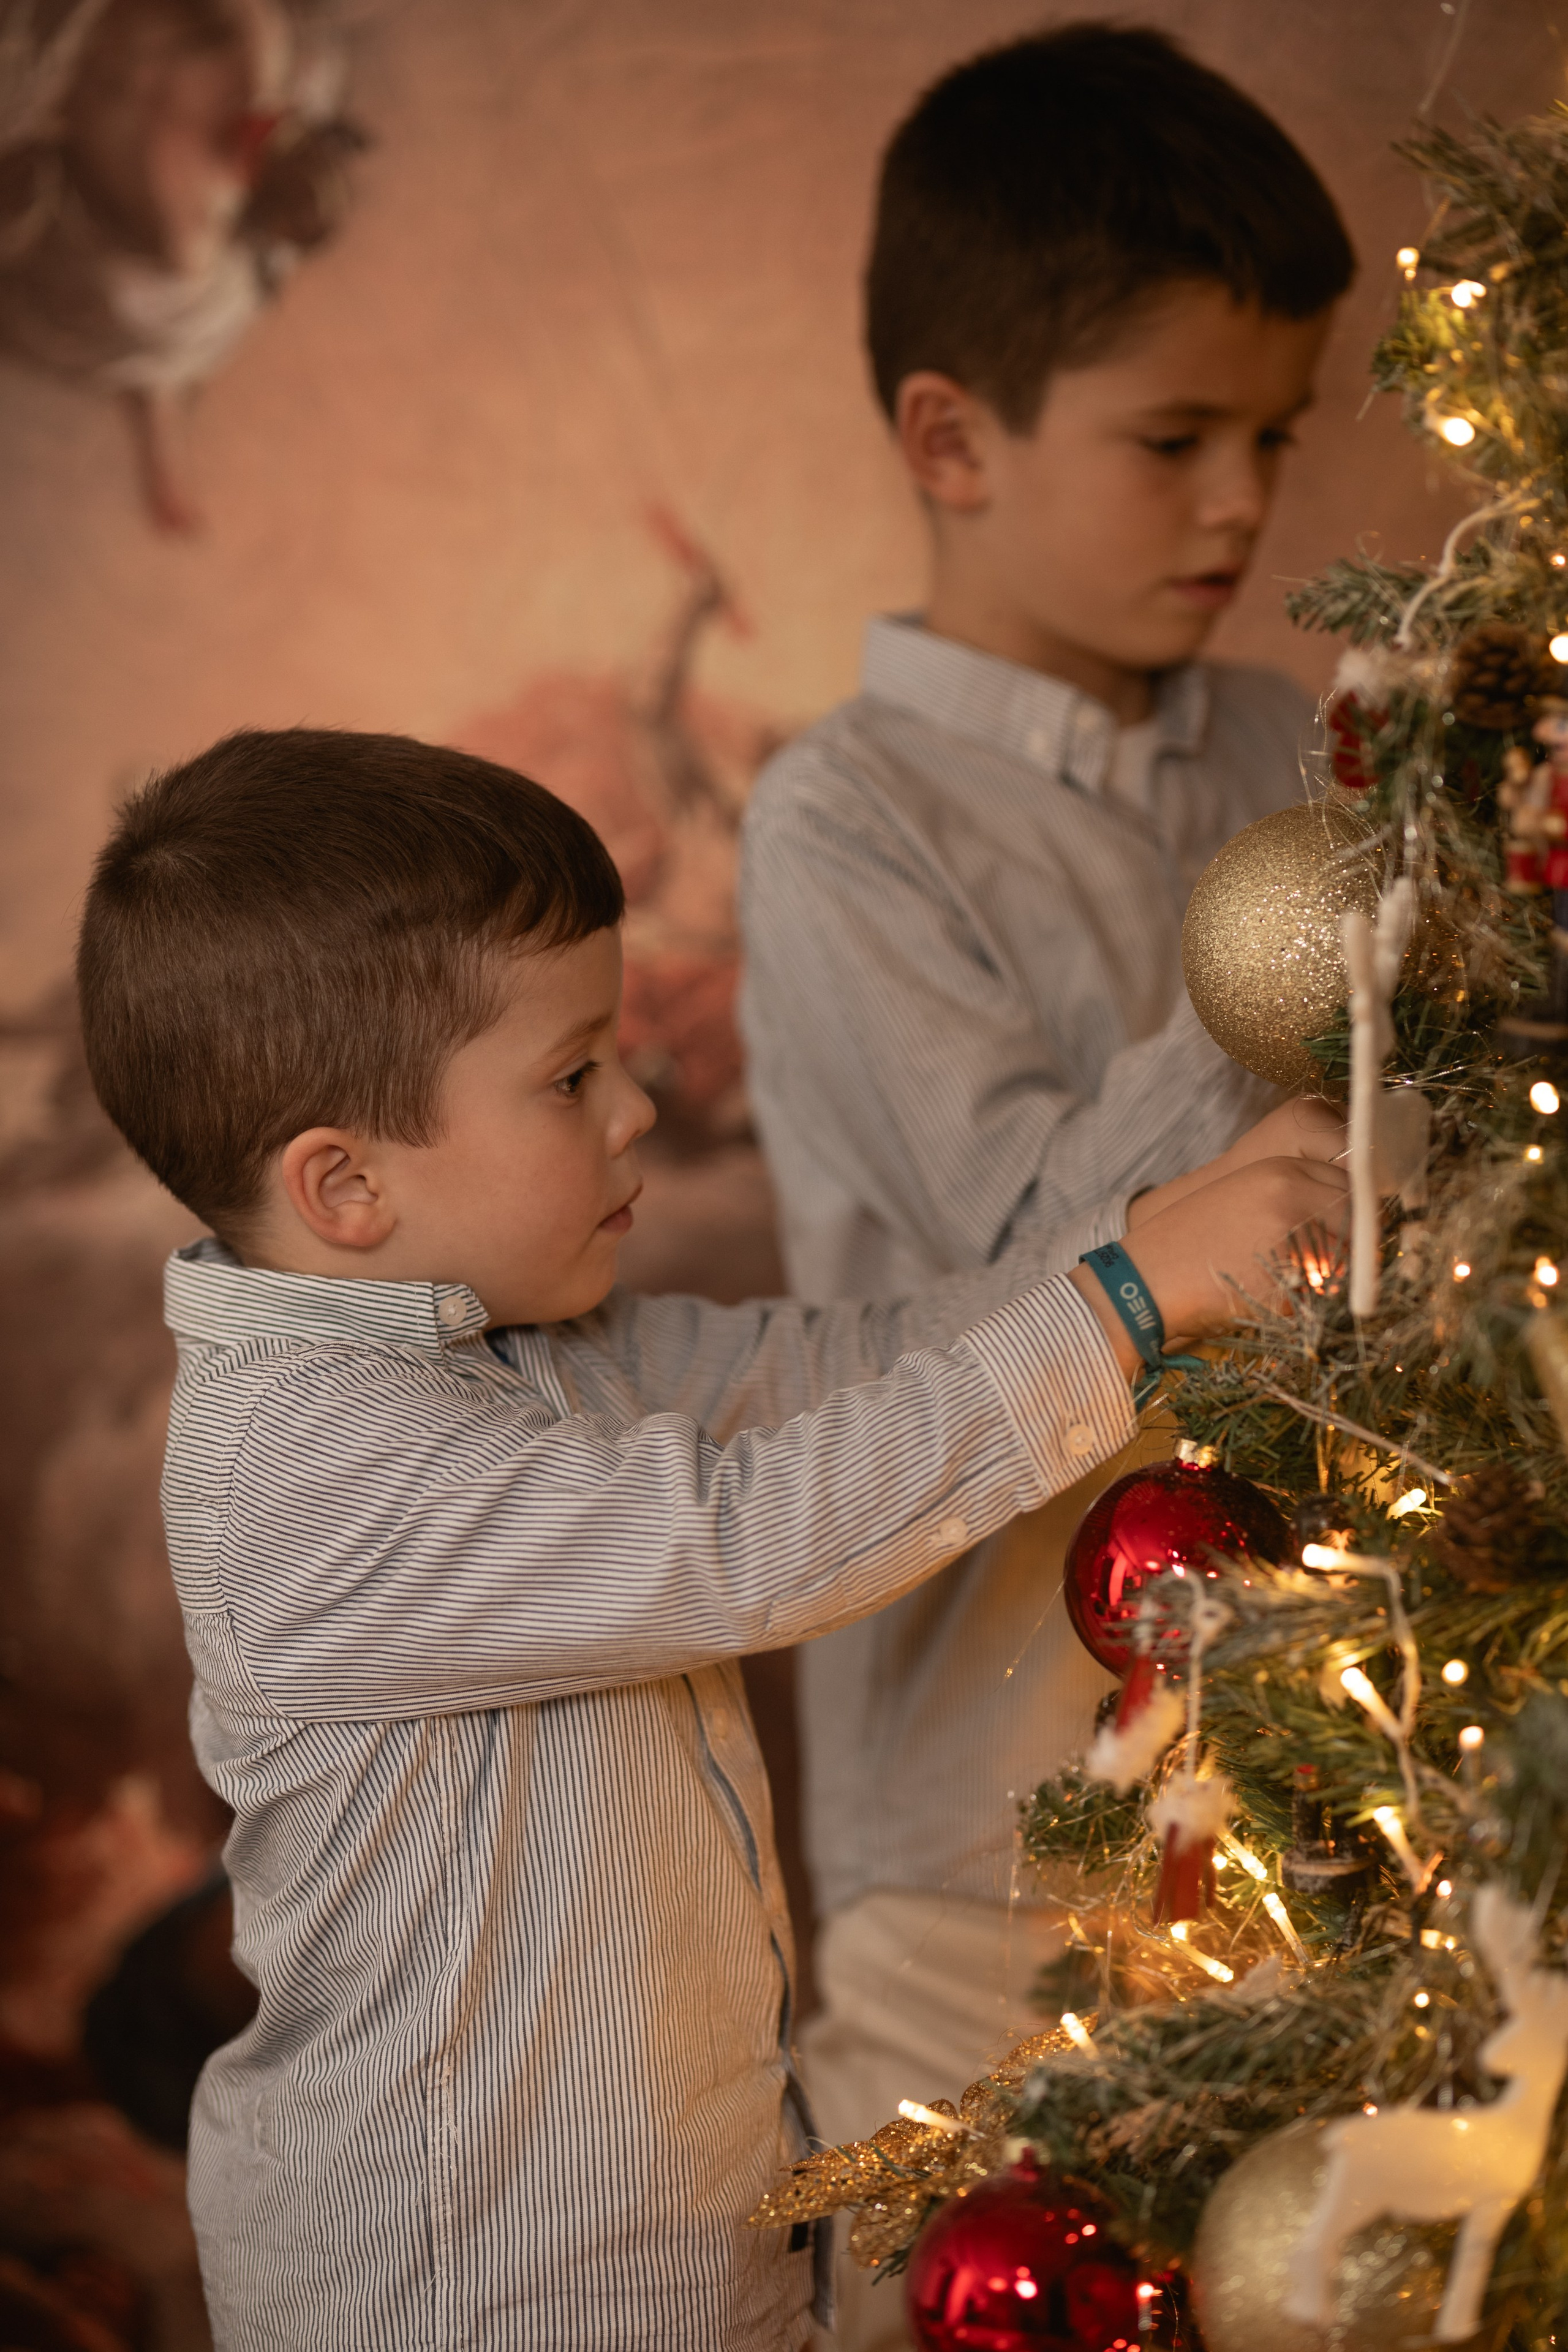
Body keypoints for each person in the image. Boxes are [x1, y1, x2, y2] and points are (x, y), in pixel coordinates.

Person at [75, 728, 1345, 2352]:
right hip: (459, 2302)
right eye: (570, 1075)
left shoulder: (535, 1347)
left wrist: (1171, 1229)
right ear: (346, 1188)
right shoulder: (305, 1473)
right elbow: (745, 1541)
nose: (639, 1102)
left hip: (690, 2257)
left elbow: (865, 1362)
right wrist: (1120, 1302)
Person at [735, 27, 1355, 2342]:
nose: (1242, 504)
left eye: (1275, 438)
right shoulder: (849, 818)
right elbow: (1029, 1251)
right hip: (987, 1782)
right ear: (953, 439)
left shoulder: (1284, 745)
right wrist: (1272, 958)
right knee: (966, 2247)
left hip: (1292, 1736)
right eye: (1176, 437)